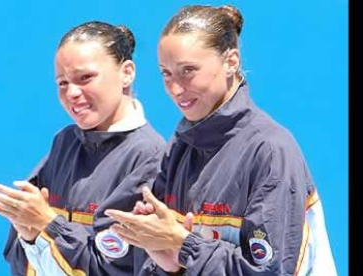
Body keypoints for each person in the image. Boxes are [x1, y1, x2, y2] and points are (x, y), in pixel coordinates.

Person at [105, 4, 338, 276]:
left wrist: (183, 245)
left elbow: (269, 272)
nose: (175, 88)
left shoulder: (270, 150)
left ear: (231, 61)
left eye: (188, 70)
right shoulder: (180, 148)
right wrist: (169, 266)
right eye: (166, 73)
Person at [0, 21, 166, 276]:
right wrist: (29, 237)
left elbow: (118, 268)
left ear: (127, 73)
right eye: (62, 83)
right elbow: (18, 260)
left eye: (85, 78)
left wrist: (47, 224)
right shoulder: (65, 142)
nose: (71, 93)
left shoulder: (149, 157)